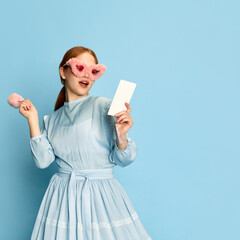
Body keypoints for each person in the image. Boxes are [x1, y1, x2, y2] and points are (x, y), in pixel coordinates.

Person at [19, 46, 151, 240]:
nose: (87, 76)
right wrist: (32, 118)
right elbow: (42, 161)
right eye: (80, 68)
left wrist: (121, 136)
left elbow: (124, 158)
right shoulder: (53, 119)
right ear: (62, 71)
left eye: (93, 71)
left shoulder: (105, 106)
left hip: (100, 197)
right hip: (63, 198)